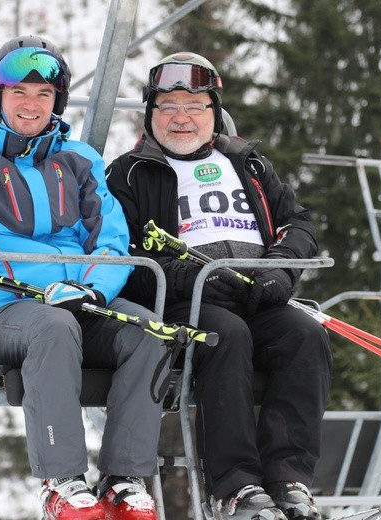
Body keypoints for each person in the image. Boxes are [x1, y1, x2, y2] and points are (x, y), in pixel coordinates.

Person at [0, 35, 168, 520]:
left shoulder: (80, 161)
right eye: (19, 94)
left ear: (57, 102)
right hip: (7, 310)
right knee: (53, 328)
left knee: (146, 334)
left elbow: (112, 239)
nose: (31, 105)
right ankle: (62, 481)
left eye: (43, 95)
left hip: (80, 299)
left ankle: (123, 480)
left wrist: (93, 289)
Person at [106, 52, 333, 520]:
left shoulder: (248, 164)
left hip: (259, 295)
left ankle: (289, 479)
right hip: (187, 305)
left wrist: (278, 271)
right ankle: (235, 487)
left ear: (214, 114)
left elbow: (298, 224)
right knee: (226, 335)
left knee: (305, 335)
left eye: (194, 106)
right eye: (167, 106)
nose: (181, 118)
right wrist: (199, 280)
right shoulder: (131, 173)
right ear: (151, 115)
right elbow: (126, 255)